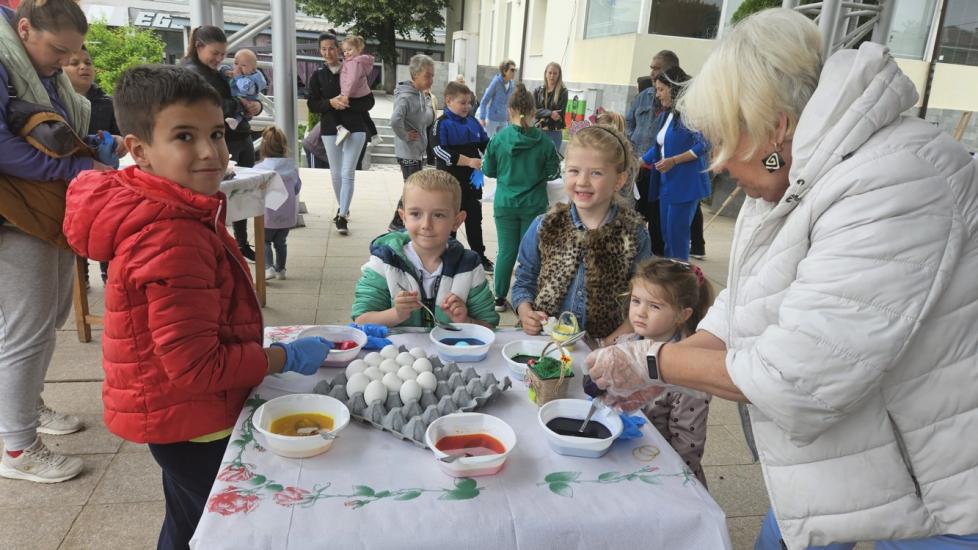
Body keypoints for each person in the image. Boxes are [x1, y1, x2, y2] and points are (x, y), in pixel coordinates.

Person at [585, 9, 978, 549]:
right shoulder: (790, 178)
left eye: (724, 142)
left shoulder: (899, 179)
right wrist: (658, 371)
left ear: (774, 127)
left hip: (939, 483)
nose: (718, 165)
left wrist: (649, 360)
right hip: (846, 463)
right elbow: (738, 309)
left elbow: (797, 380)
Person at [62, 65, 333, 550]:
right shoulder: (173, 233)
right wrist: (283, 358)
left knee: (189, 523)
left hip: (174, 418)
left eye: (215, 133)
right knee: (229, 530)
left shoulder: (172, 208)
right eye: (185, 136)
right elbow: (197, 366)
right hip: (195, 423)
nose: (211, 151)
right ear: (139, 150)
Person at [0, 0, 116, 484]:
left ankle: (27, 406)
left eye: (75, 53)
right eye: (58, 52)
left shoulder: (30, 59)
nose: (66, 63)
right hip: (16, 215)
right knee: (26, 329)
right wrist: (75, 168)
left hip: (45, 209)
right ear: (24, 28)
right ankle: (17, 447)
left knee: (49, 318)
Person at [510, 124, 651, 340]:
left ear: (619, 180)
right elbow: (524, 278)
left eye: (596, 173)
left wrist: (609, 343)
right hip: (546, 344)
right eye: (574, 171)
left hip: (605, 350)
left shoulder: (634, 235)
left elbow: (643, 300)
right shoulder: (544, 225)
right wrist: (525, 311)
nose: (582, 181)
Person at [351, 169, 499, 329]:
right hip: (398, 352)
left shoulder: (469, 266)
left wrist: (465, 320)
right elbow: (361, 319)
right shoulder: (385, 261)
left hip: (452, 352)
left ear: (457, 221)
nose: (426, 225)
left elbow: (489, 325)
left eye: (439, 215)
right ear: (403, 218)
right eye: (416, 214)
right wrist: (396, 314)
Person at [611, 258, 714, 486]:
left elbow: (688, 444)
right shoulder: (625, 343)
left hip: (657, 472)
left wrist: (670, 482)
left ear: (682, 315)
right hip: (619, 454)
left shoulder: (688, 375)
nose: (640, 312)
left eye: (654, 306)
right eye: (636, 301)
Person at [181, 25, 263, 261]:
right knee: (215, 198)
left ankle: (239, 242)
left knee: (241, 195)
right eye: (214, 53)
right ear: (199, 47)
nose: (219, 59)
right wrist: (240, 106)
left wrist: (252, 107)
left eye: (222, 54)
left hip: (238, 136)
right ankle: (220, 245)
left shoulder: (215, 71)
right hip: (217, 141)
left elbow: (234, 98)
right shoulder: (191, 72)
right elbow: (208, 106)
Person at [482, 83, 561, 313]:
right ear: (534, 112)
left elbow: (488, 169)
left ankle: (498, 297)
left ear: (510, 110)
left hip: (505, 202)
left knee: (506, 250)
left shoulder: (499, 138)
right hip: (533, 204)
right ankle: (532, 297)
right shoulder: (545, 141)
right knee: (532, 253)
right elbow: (554, 172)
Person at [306, 31, 376, 236]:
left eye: (331, 48)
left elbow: (368, 101)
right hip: (330, 130)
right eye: (323, 49)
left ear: (339, 48)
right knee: (336, 173)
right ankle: (342, 206)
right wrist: (330, 103)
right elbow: (312, 104)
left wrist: (347, 104)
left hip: (355, 128)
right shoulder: (318, 75)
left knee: (347, 173)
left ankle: (342, 215)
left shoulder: (353, 67)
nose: (328, 52)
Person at [63, 44, 120, 286]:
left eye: (87, 62)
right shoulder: (57, 103)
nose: (83, 67)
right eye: (74, 63)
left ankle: (110, 273)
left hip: (105, 178)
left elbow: (121, 136)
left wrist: (117, 140)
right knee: (77, 225)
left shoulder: (106, 102)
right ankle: (81, 278)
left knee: (107, 225)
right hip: (70, 179)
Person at [641, 66, 710, 261]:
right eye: (657, 89)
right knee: (666, 235)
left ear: (674, 88)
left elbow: (704, 144)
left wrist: (674, 160)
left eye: (661, 89)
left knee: (677, 237)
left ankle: (680, 278)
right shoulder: (666, 115)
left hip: (685, 185)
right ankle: (672, 276)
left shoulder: (691, 113)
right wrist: (636, 161)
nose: (657, 94)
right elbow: (657, 149)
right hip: (666, 184)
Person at [432, 80, 492, 272]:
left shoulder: (473, 122)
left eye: (469, 103)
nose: (467, 106)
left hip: (473, 182)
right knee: (450, 220)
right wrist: (469, 161)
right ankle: (449, 256)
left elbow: (486, 144)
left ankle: (479, 256)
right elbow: (439, 151)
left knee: (475, 219)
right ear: (449, 101)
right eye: (463, 102)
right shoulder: (441, 123)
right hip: (449, 182)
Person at [625, 50, 678, 256]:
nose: (652, 73)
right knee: (633, 215)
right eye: (652, 68)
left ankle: (656, 258)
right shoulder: (643, 97)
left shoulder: (677, 106)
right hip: (639, 164)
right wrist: (633, 141)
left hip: (660, 169)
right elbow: (629, 121)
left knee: (656, 219)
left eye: (657, 68)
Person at [388, 53, 435, 231]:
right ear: (415, 75)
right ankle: (397, 223)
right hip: (407, 151)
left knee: (412, 188)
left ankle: (399, 223)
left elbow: (426, 120)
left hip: (416, 151)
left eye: (432, 75)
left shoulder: (421, 94)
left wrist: (430, 104)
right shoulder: (406, 97)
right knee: (412, 189)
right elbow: (394, 120)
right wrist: (406, 135)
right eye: (427, 75)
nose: (431, 79)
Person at [255, 126, 301, 281]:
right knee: (281, 243)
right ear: (284, 146)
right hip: (287, 215)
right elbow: (296, 188)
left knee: (265, 241)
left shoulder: (259, 169)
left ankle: (268, 268)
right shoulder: (292, 168)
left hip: (267, 214)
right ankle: (281, 269)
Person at [334, 34, 374, 145]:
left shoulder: (353, 63)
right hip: (362, 94)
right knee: (363, 115)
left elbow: (352, 80)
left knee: (336, 108)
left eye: (350, 50)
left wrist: (345, 95)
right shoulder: (357, 62)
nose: (346, 53)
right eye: (344, 51)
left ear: (359, 49)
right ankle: (373, 134)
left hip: (353, 95)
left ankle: (341, 129)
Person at [220, 48, 266, 131]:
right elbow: (223, 68)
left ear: (253, 69)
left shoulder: (254, 78)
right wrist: (226, 71)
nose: (238, 67)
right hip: (235, 103)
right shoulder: (235, 72)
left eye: (243, 65)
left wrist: (258, 106)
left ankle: (235, 121)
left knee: (241, 113)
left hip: (246, 103)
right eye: (236, 63)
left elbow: (245, 89)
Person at [533, 62, 568, 153]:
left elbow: (559, 114)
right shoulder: (538, 90)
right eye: (550, 73)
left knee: (552, 161)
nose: (552, 76)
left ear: (559, 75)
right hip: (539, 131)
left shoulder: (563, 92)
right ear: (546, 73)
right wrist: (550, 113)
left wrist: (542, 112)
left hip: (554, 132)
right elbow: (533, 111)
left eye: (555, 73)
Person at [478, 59, 516, 138]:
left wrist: (510, 118)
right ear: (504, 71)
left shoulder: (512, 84)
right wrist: (482, 118)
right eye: (512, 70)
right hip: (492, 119)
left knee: (502, 144)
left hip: (504, 119)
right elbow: (484, 101)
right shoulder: (496, 82)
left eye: (515, 70)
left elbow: (509, 103)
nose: (514, 72)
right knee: (489, 143)